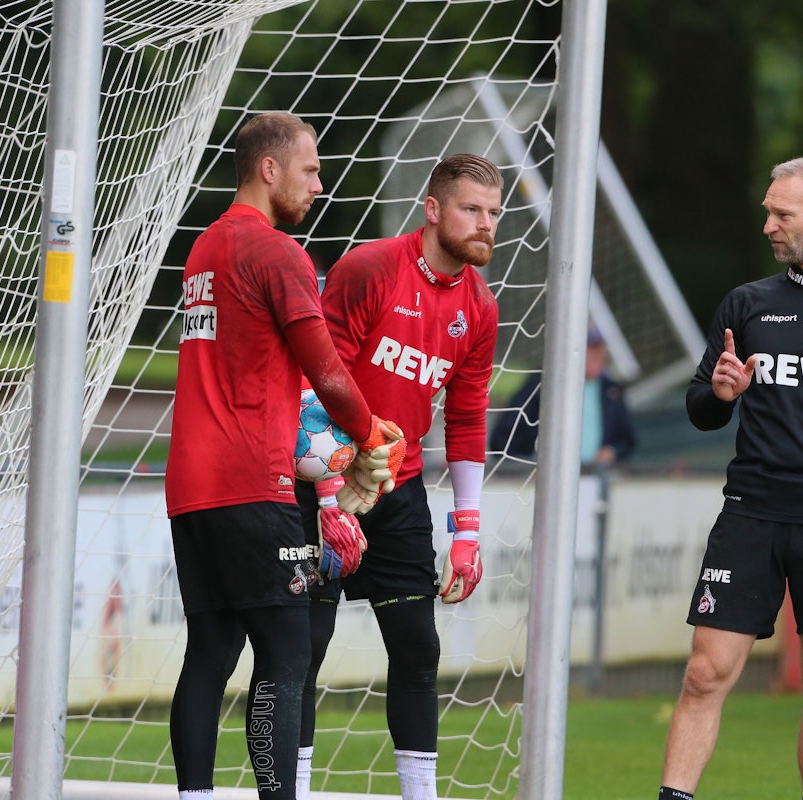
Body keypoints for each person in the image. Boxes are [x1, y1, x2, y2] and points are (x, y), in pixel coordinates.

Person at [164, 111, 404, 800]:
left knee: (211, 649)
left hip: (191, 485)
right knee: (287, 651)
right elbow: (326, 370)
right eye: (310, 170)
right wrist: (369, 434)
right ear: (269, 170)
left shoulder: (205, 248)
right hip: (251, 480)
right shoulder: (277, 253)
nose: (319, 185)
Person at [658, 157, 803, 800]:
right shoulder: (747, 303)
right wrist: (721, 393)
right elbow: (701, 409)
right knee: (704, 674)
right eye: (767, 212)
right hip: (752, 513)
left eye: (783, 214)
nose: (768, 225)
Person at [294, 154, 503, 800]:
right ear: (432, 209)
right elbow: (314, 382)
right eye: (471, 209)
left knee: (417, 648)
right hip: (322, 486)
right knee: (301, 649)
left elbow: (466, 419)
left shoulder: (480, 308)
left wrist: (467, 533)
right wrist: (330, 494)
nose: (486, 224)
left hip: (397, 490)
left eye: (494, 213)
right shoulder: (370, 269)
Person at [488, 326, 637, 466]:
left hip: (596, 473)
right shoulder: (542, 384)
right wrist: (528, 463)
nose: (596, 355)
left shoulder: (612, 391)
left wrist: (611, 451)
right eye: (590, 349)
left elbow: (626, 439)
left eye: (599, 349)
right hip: (543, 474)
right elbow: (504, 436)